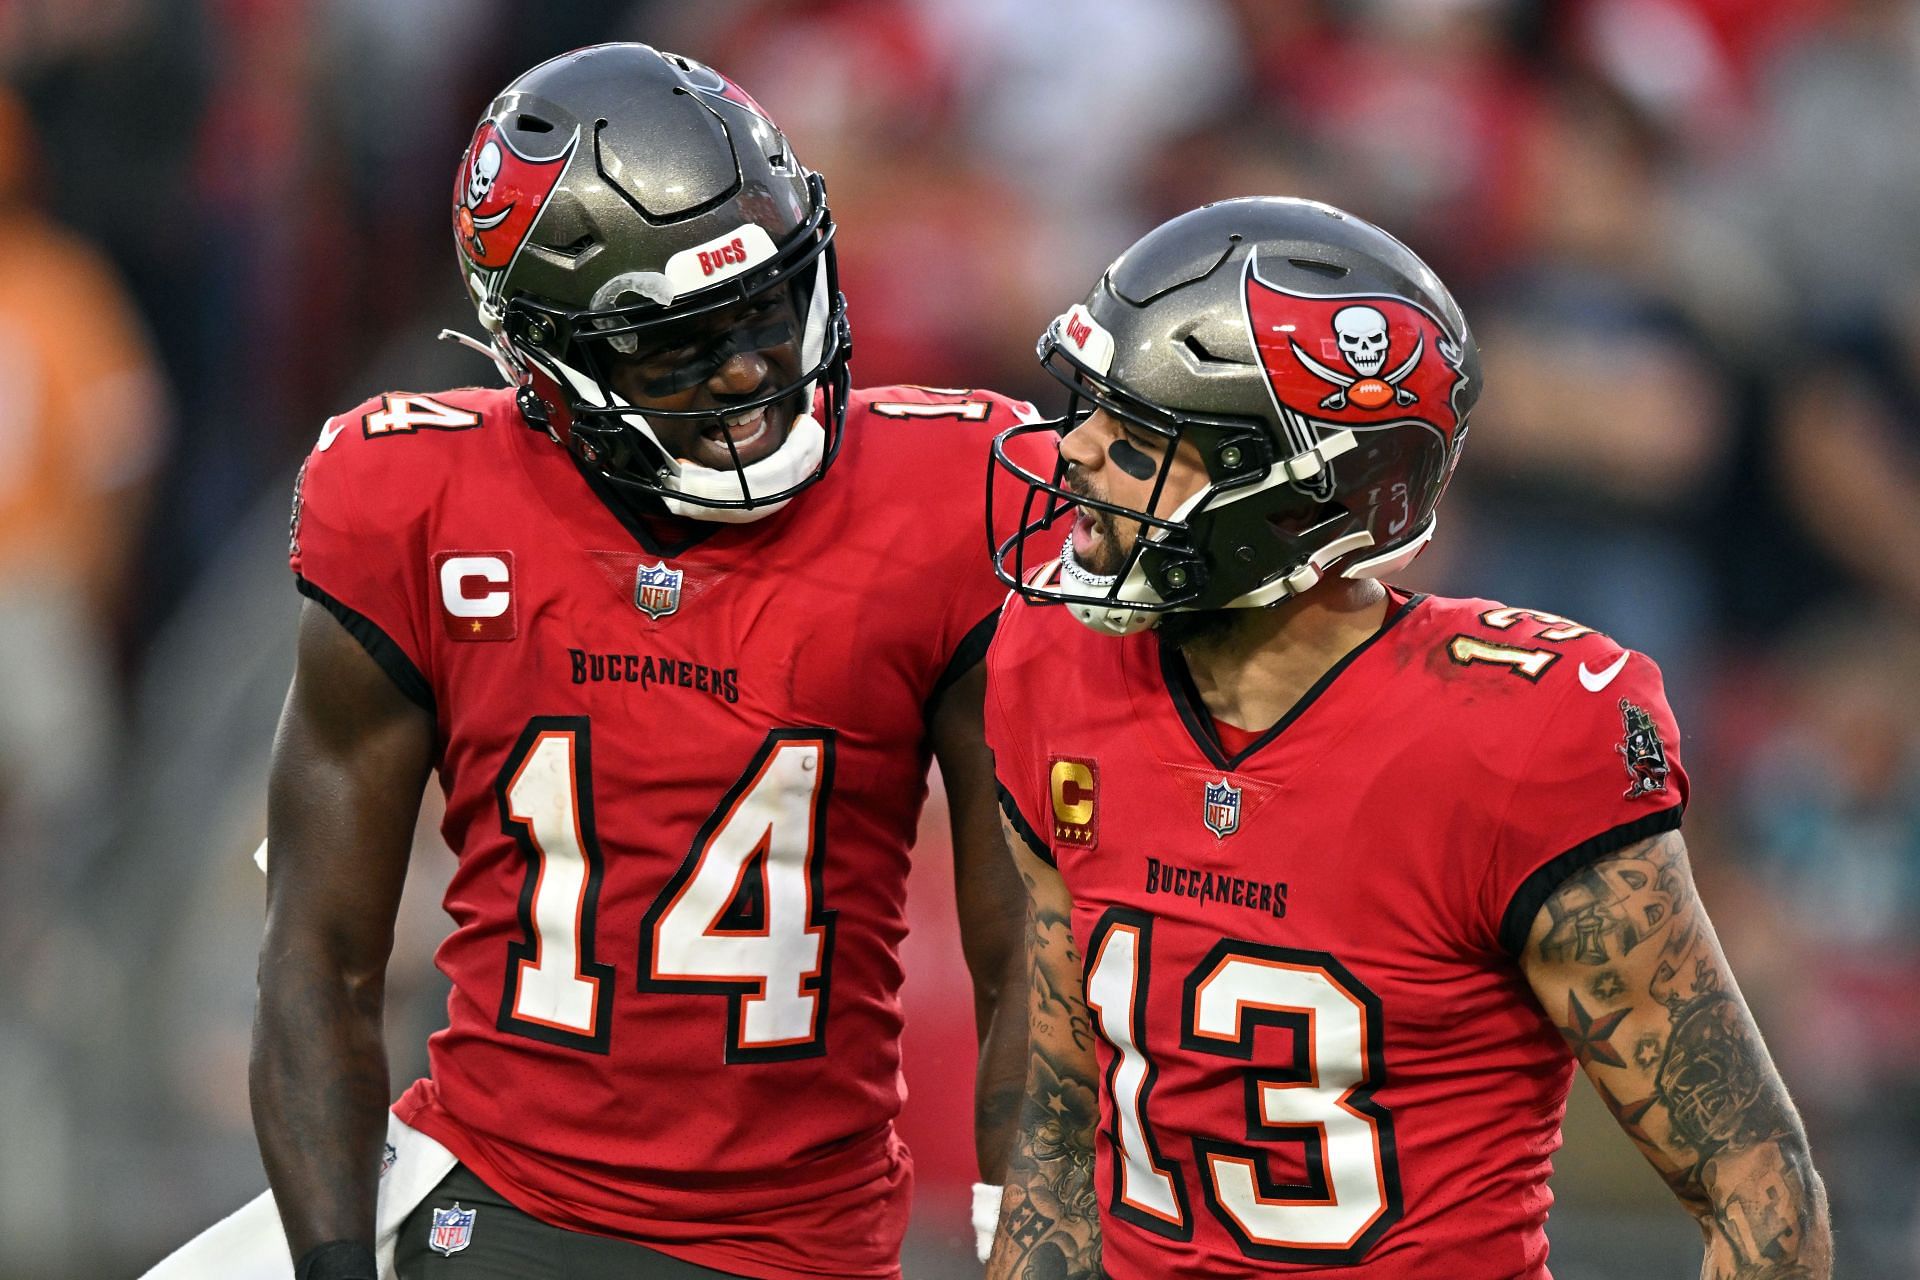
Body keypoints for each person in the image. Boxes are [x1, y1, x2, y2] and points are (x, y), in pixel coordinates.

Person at [145, 43, 1044, 1280]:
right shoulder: (413, 497)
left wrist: (1026, 1255)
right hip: (504, 1201)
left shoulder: (954, 497)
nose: (749, 369)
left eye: (771, 303)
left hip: (808, 1241)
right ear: (543, 362)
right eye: (680, 343)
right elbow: (316, 954)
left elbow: (1033, 966)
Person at [981, 198, 1831, 1278]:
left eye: (1140, 437)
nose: (1075, 452)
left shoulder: (1514, 735)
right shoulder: (1054, 664)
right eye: (1091, 408)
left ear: (1294, 496)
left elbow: (1758, 1186)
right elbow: (1062, 1130)